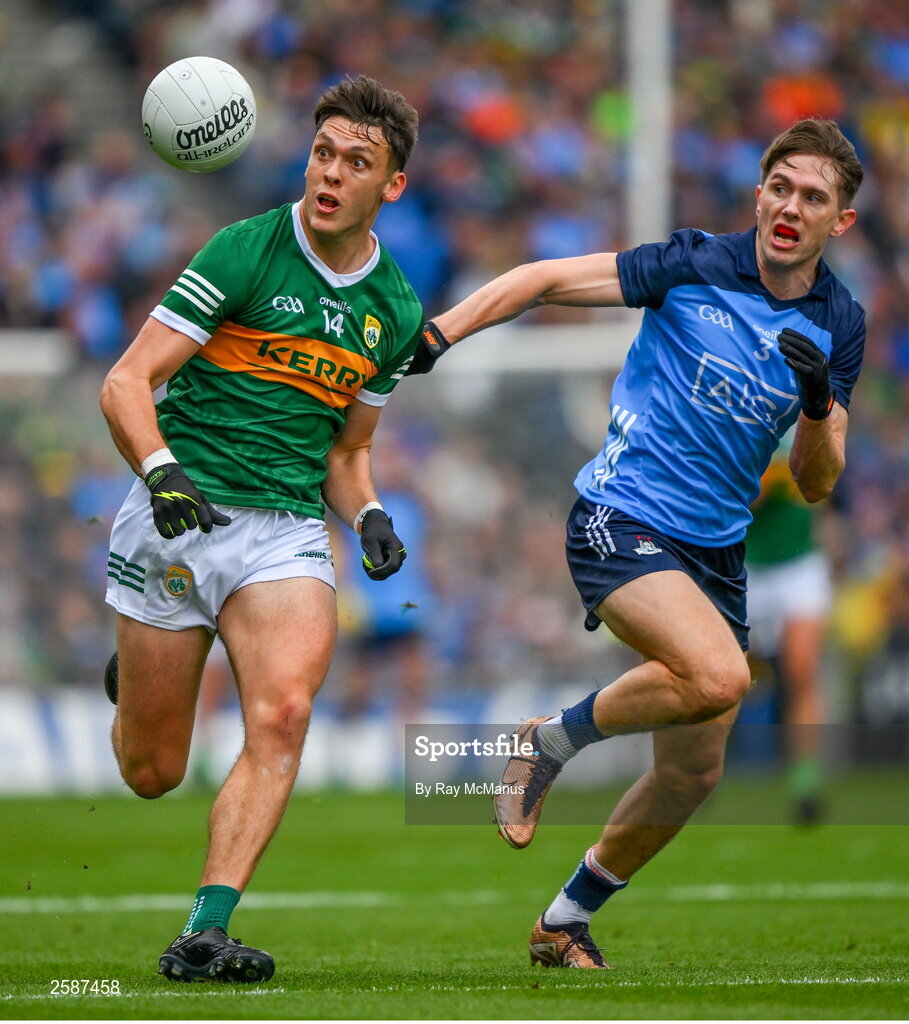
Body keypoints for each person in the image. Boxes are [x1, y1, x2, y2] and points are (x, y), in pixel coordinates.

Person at [407, 119, 864, 967]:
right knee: (719, 674)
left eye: (813, 197)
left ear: (839, 221)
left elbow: (817, 480)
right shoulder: (692, 262)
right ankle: (547, 740)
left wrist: (813, 404)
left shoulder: (840, 322)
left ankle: (564, 920)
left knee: (692, 773)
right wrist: (441, 333)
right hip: (622, 517)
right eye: (780, 187)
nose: (789, 207)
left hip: (715, 555)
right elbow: (544, 279)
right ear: (758, 191)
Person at [99, 75, 422, 983]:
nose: (330, 175)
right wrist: (160, 472)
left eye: (356, 163)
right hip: (179, 507)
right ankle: (140, 671)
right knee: (152, 771)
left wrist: (366, 513)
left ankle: (206, 928)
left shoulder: (393, 311)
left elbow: (348, 450)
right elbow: (125, 383)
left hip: (283, 531)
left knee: (283, 713)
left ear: (390, 185)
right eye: (323, 153)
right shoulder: (245, 250)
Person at [745, 428, 834, 823]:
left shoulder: (812, 411)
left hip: (800, 567)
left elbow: (826, 481)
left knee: (801, 669)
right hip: (747, 569)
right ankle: (696, 769)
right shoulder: (743, 412)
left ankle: (805, 781)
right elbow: (744, 496)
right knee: (726, 679)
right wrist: (772, 476)